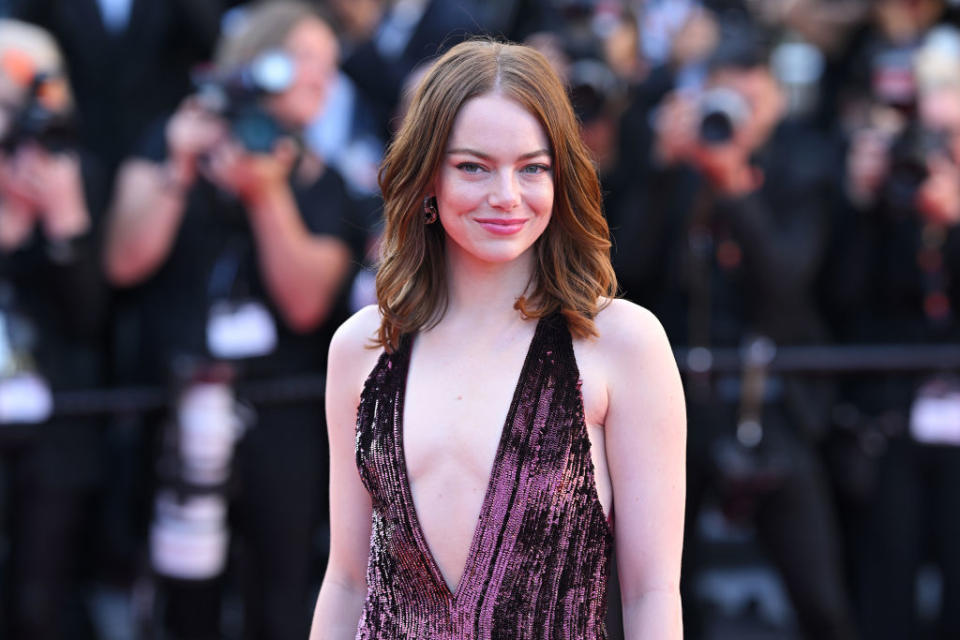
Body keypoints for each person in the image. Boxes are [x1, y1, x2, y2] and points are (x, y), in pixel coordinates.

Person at [310, 39, 687, 639]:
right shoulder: (362, 346)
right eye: (473, 167)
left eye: (532, 167)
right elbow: (347, 580)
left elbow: (651, 593)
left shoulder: (623, 342)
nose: (506, 195)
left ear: (562, 176)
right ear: (428, 176)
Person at [103, 2, 361, 638]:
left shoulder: (325, 184)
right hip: (176, 407)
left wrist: (266, 194)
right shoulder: (169, 143)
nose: (319, 78)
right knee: (180, 591)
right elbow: (123, 262)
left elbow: (307, 302)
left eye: (330, 66)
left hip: (282, 417)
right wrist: (179, 171)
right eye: (303, 59)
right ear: (254, 60)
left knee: (280, 594)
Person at [0, 18, 109, 639]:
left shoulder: (76, 171)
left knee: (42, 597)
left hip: (57, 417)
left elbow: (91, 317)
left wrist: (64, 227)